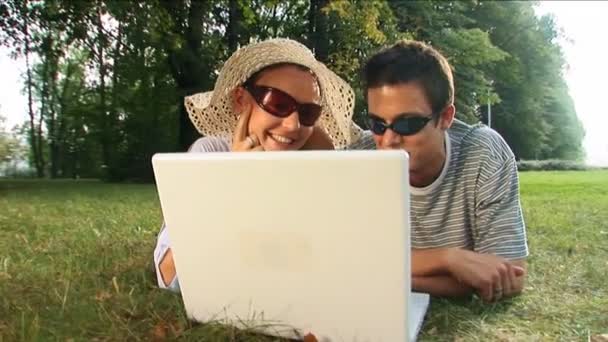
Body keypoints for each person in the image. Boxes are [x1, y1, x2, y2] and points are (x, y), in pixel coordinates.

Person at [153, 38, 362, 292]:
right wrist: (236, 183)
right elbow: (168, 276)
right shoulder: (209, 155)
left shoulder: (313, 161)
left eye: (308, 113)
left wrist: (324, 164)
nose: (294, 125)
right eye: (279, 103)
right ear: (241, 99)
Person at [349, 40, 529, 302]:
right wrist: (448, 260)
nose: (387, 140)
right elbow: (340, 260)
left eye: (407, 123)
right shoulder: (357, 159)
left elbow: (509, 277)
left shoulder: (483, 154)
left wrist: (384, 274)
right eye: (377, 124)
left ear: (445, 118)